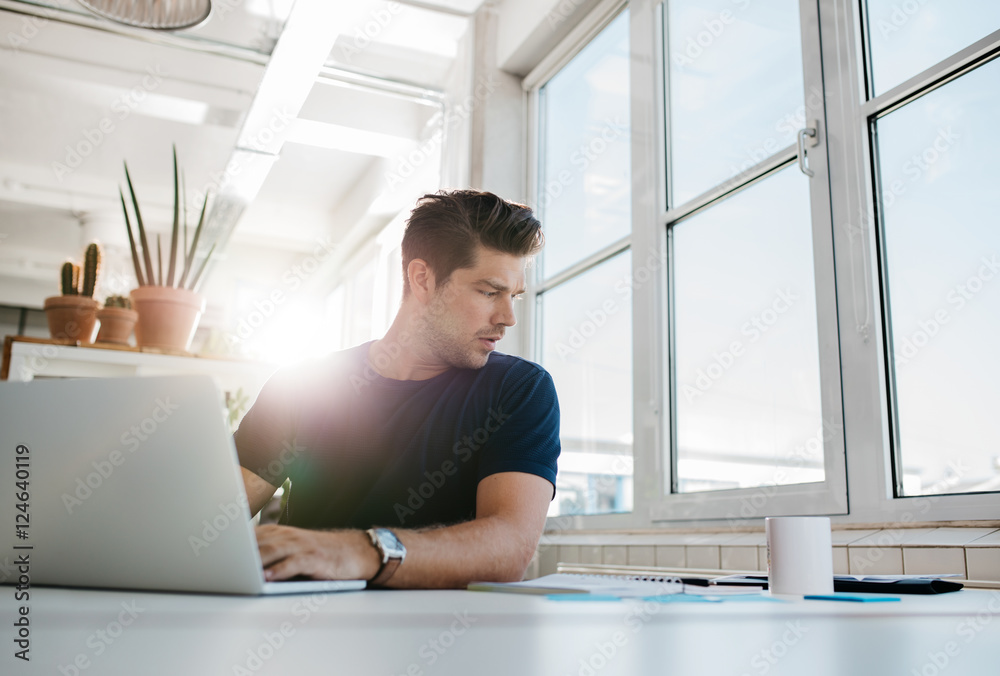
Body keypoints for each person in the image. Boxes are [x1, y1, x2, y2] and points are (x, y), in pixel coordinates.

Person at [234, 189, 561, 589]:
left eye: (514, 296)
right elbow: (212, 520)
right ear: (422, 279)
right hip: (297, 630)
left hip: (445, 639)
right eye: (489, 292)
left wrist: (358, 552)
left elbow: (509, 550)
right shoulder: (303, 385)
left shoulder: (520, 391)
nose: (507, 317)